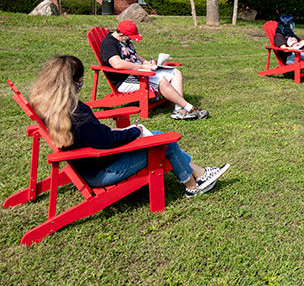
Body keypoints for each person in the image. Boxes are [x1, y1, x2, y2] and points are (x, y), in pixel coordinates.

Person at [30, 56, 229, 197]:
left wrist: (117, 132)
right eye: (81, 80)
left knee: (158, 136)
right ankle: (193, 186)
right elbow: (106, 141)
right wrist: (135, 131)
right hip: (103, 171)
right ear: (74, 82)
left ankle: (201, 174)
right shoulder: (76, 113)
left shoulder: (51, 106)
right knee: (164, 143)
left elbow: (97, 137)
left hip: (91, 164)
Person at [99, 20, 208, 120]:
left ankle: (179, 110)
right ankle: (189, 108)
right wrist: (143, 67)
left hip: (138, 72)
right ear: (121, 34)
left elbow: (133, 54)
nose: (131, 39)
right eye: (130, 37)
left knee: (175, 73)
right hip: (126, 79)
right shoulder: (109, 44)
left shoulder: (123, 40)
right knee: (162, 81)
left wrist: (145, 62)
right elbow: (117, 64)